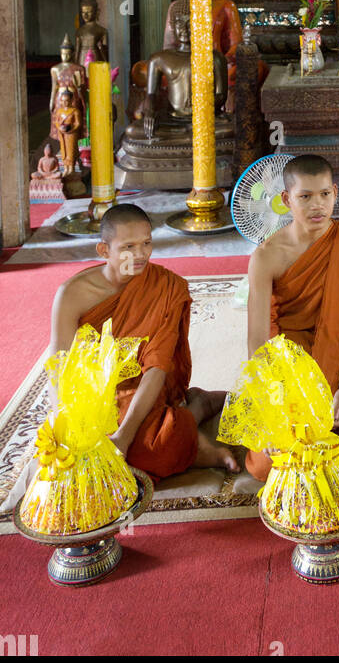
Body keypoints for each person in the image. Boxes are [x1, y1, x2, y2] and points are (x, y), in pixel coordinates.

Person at [48, 203, 238, 478]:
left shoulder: (168, 287)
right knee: (77, 454)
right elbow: (58, 364)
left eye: (146, 243)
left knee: (152, 450)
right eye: (128, 247)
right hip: (98, 389)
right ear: (104, 251)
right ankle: (192, 427)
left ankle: (198, 407)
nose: (140, 255)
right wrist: (62, 420)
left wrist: (124, 437)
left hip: (146, 384)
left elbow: (157, 367)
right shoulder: (71, 294)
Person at [245, 153, 339, 478]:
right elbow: (258, 339)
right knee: (264, 463)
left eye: (325, 194)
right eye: (305, 197)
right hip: (291, 368)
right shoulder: (267, 257)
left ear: (335, 193)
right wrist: (273, 403)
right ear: (286, 199)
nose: (318, 206)